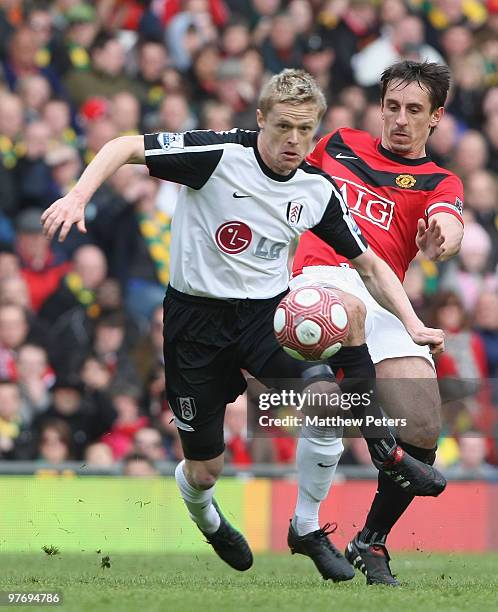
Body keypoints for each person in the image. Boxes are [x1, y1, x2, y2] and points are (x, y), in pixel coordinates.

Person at [41, 69, 445, 575]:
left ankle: (312, 522)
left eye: (304, 130)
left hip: (264, 317)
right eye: (282, 128)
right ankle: (206, 516)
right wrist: (78, 195)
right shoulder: (216, 155)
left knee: (324, 393)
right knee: (206, 468)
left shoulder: (316, 190)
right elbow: (124, 146)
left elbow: (369, 264)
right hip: (195, 325)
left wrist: (411, 323)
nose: (293, 141)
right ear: (260, 121)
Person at [290, 61, 464, 585]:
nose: (400, 120)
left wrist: (441, 236)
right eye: (392, 107)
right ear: (380, 107)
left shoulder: (439, 180)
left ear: (436, 117)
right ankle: (379, 447)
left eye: (415, 110)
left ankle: (370, 540)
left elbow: (450, 223)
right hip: (317, 282)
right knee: (334, 366)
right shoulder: (339, 143)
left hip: (382, 298)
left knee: (425, 421)